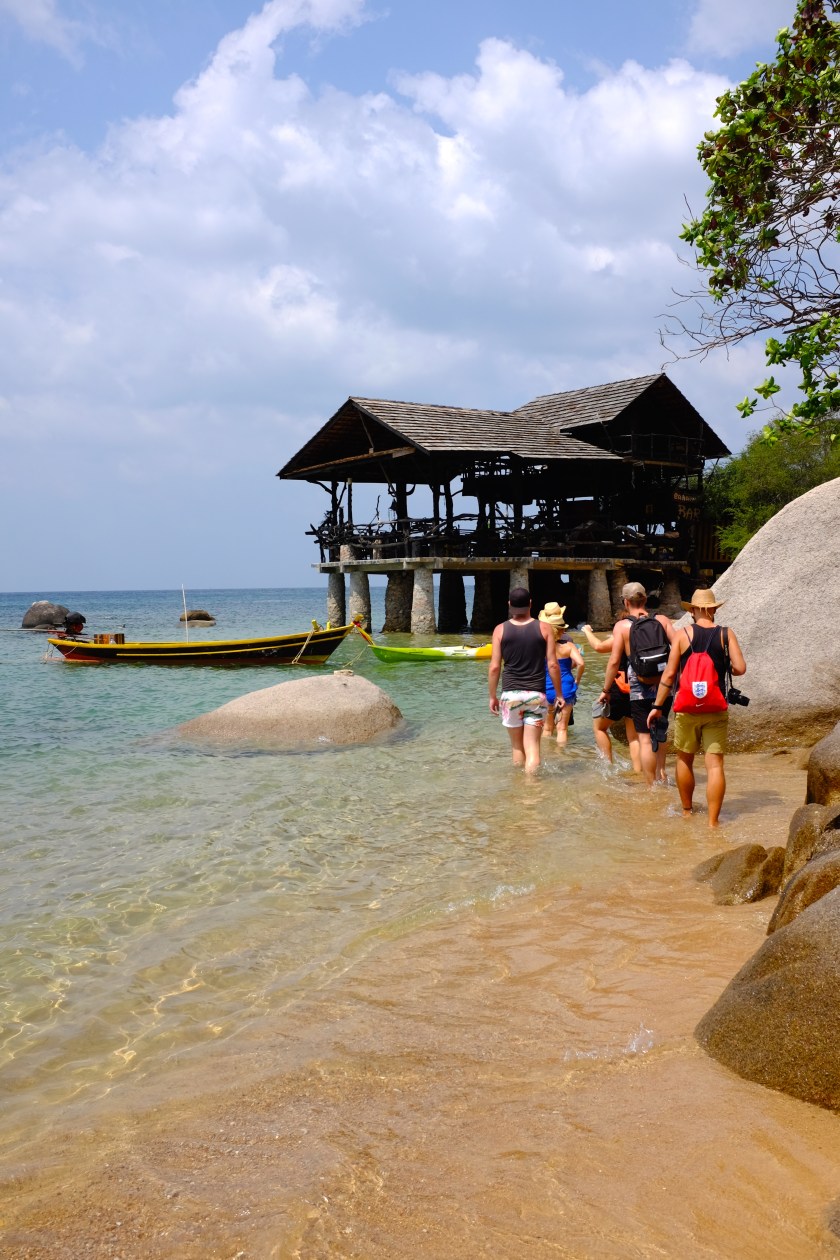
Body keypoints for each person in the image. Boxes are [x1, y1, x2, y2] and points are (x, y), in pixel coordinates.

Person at [647, 588, 746, 827]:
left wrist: (657, 706)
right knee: (715, 766)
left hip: (687, 708)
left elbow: (669, 675)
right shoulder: (725, 634)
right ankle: (713, 823)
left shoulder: (682, 635)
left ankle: (687, 812)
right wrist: (724, 666)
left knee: (684, 759)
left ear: (692, 610)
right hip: (715, 707)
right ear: (713, 610)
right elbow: (740, 668)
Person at [596, 581, 678, 786]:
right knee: (660, 732)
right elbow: (679, 647)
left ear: (626, 602)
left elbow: (614, 661)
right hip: (664, 687)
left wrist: (606, 689)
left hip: (640, 689)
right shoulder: (662, 620)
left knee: (644, 738)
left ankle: (651, 785)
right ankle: (662, 774)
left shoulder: (622, 626)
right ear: (645, 599)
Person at [488, 587, 561, 773]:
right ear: (530, 604)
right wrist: (559, 694)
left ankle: (520, 785)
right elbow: (553, 665)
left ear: (509, 605)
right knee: (533, 748)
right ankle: (532, 785)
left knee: (517, 747)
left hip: (510, 695)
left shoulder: (500, 630)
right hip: (536, 695)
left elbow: (495, 667)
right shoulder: (544, 628)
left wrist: (492, 696)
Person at [581, 622, 641, 772]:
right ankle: (639, 772)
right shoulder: (645, 634)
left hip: (620, 688)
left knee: (600, 727)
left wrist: (587, 631)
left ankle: (608, 767)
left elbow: (599, 647)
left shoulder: (623, 633)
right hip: (639, 688)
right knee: (634, 737)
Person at [538, 603, 585, 744]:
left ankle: (547, 753)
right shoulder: (568, 645)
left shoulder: (540, 647)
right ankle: (561, 755)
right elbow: (581, 663)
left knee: (547, 728)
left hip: (546, 687)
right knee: (562, 728)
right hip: (566, 688)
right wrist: (577, 681)